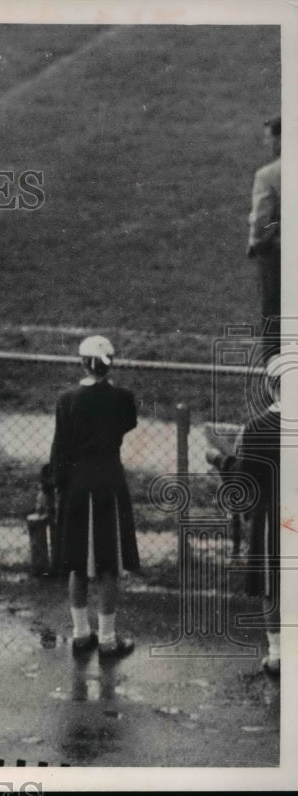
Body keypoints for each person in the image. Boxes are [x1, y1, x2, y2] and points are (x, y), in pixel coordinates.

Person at [49, 335, 140, 658]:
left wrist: (57, 486)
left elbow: (60, 450)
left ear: (82, 362)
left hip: (76, 485)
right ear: (111, 362)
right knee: (108, 565)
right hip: (109, 484)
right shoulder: (123, 398)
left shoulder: (66, 400)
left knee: (77, 562)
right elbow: (127, 423)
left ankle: (80, 633)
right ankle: (107, 638)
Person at [235, 353, 283, 677]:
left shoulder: (255, 427)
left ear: (270, 386)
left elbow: (244, 485)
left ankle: (277, 651)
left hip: (270, 515)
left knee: (272, 585)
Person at [247, 115, 281, 352]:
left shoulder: (268, 175)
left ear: (281, 140)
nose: (266, 144)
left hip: (279, 256)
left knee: (274, 314)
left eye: (269, 138)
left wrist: (258, 242)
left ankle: (276, 375)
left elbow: (262, 224)